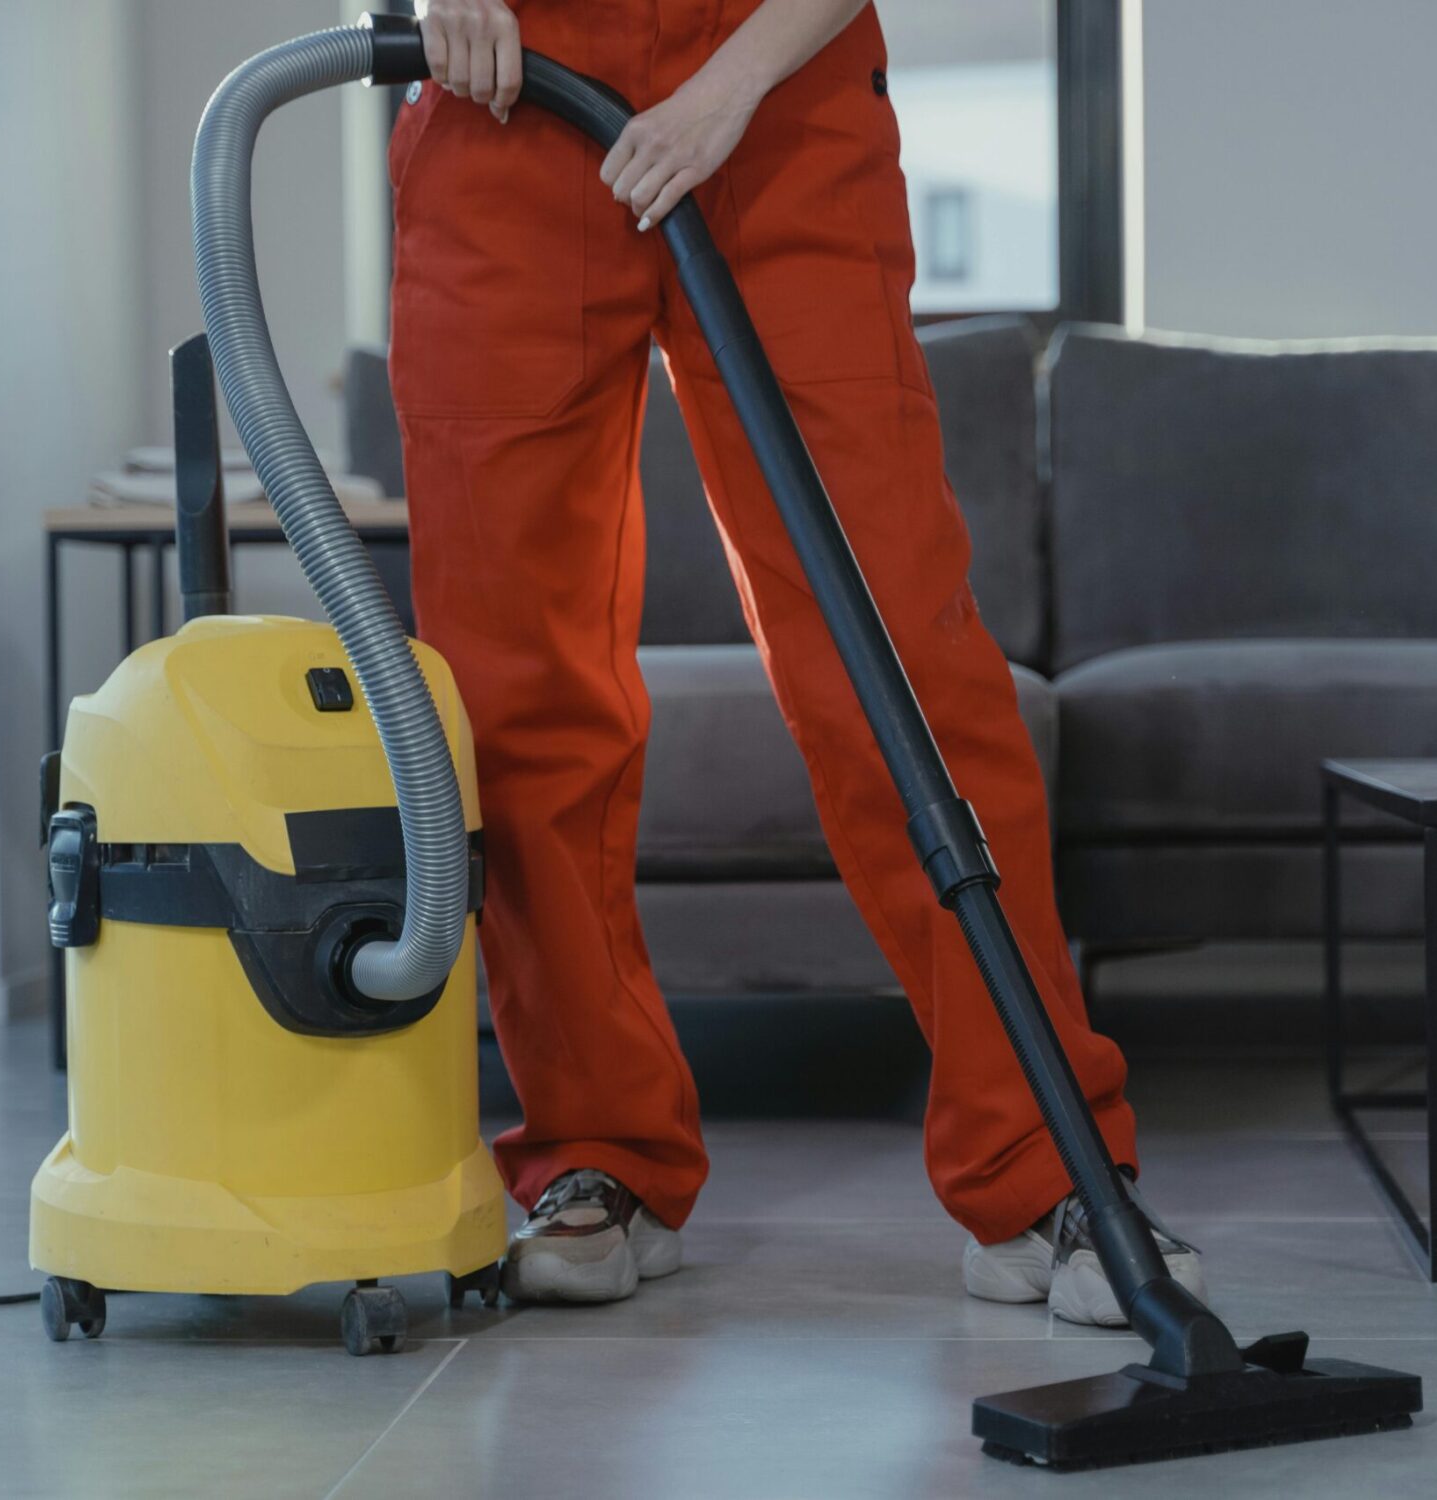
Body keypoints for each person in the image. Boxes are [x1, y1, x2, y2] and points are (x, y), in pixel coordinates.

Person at [391, 0, 1203, 1326]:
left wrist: (731, 83)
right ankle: (601, 1153)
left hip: (778, 90)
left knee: (896, 656)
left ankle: (1048, 1174)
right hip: (505, 100)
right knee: (511, 688)